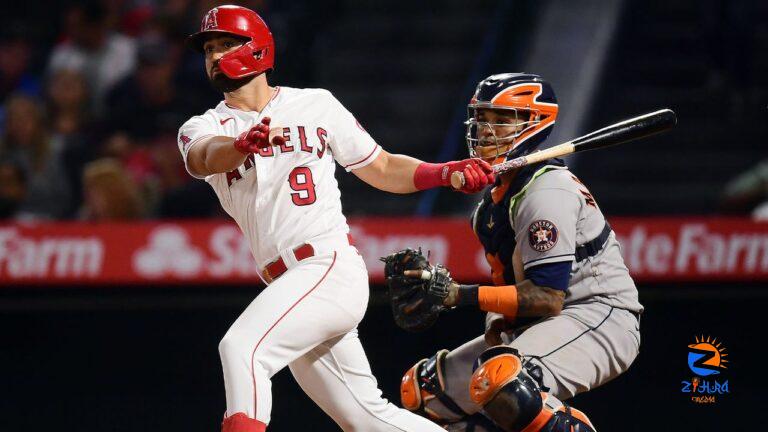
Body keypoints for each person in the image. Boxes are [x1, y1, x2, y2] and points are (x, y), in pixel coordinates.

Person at [176, 6, 495, 432]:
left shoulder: (315, 105)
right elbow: (202, 158)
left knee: (242, 349)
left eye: (225, 44)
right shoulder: (205, 125)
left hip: (326, 266)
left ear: (257, 49)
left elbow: (380, 167)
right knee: (367, 420)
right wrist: (239, 145)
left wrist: (443, 173)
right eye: (208, 49)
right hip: (287, 284)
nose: (214, 56)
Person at [395, 73, 643, 431]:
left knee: (506, 385)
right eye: (482, 118)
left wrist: (457, 296)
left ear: (534, 123)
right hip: (543, 320)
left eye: (502, 119)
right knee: (427, 393)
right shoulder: (491, 205)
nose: (486, 130)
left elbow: (547, 296)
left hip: (599, 315)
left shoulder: (547, 191)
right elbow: (508, 283)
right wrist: (497, 324)